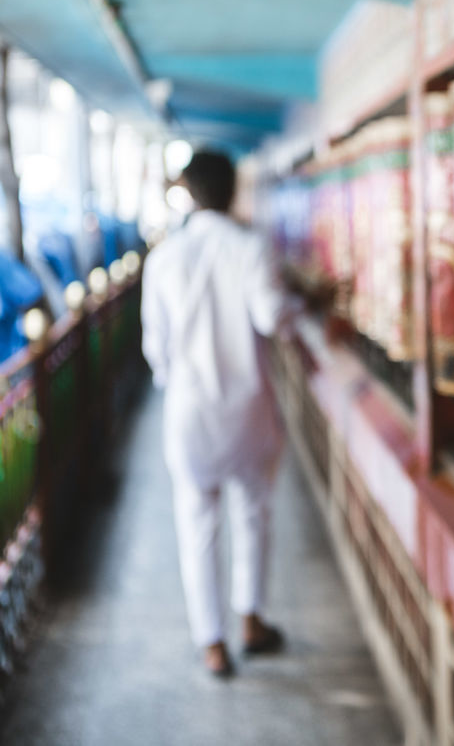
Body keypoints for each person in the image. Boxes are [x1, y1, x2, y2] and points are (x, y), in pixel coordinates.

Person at [141, 149, 296, 677]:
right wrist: (304, 306)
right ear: (233, 190)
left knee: (196, 522)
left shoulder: (164, 258)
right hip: (248, 409)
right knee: (254, 513)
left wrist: (178, 379)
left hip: (188, 413)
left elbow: (155, 348)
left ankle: (212, 645)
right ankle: (251, 621)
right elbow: (272, 318)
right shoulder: (250, 248)